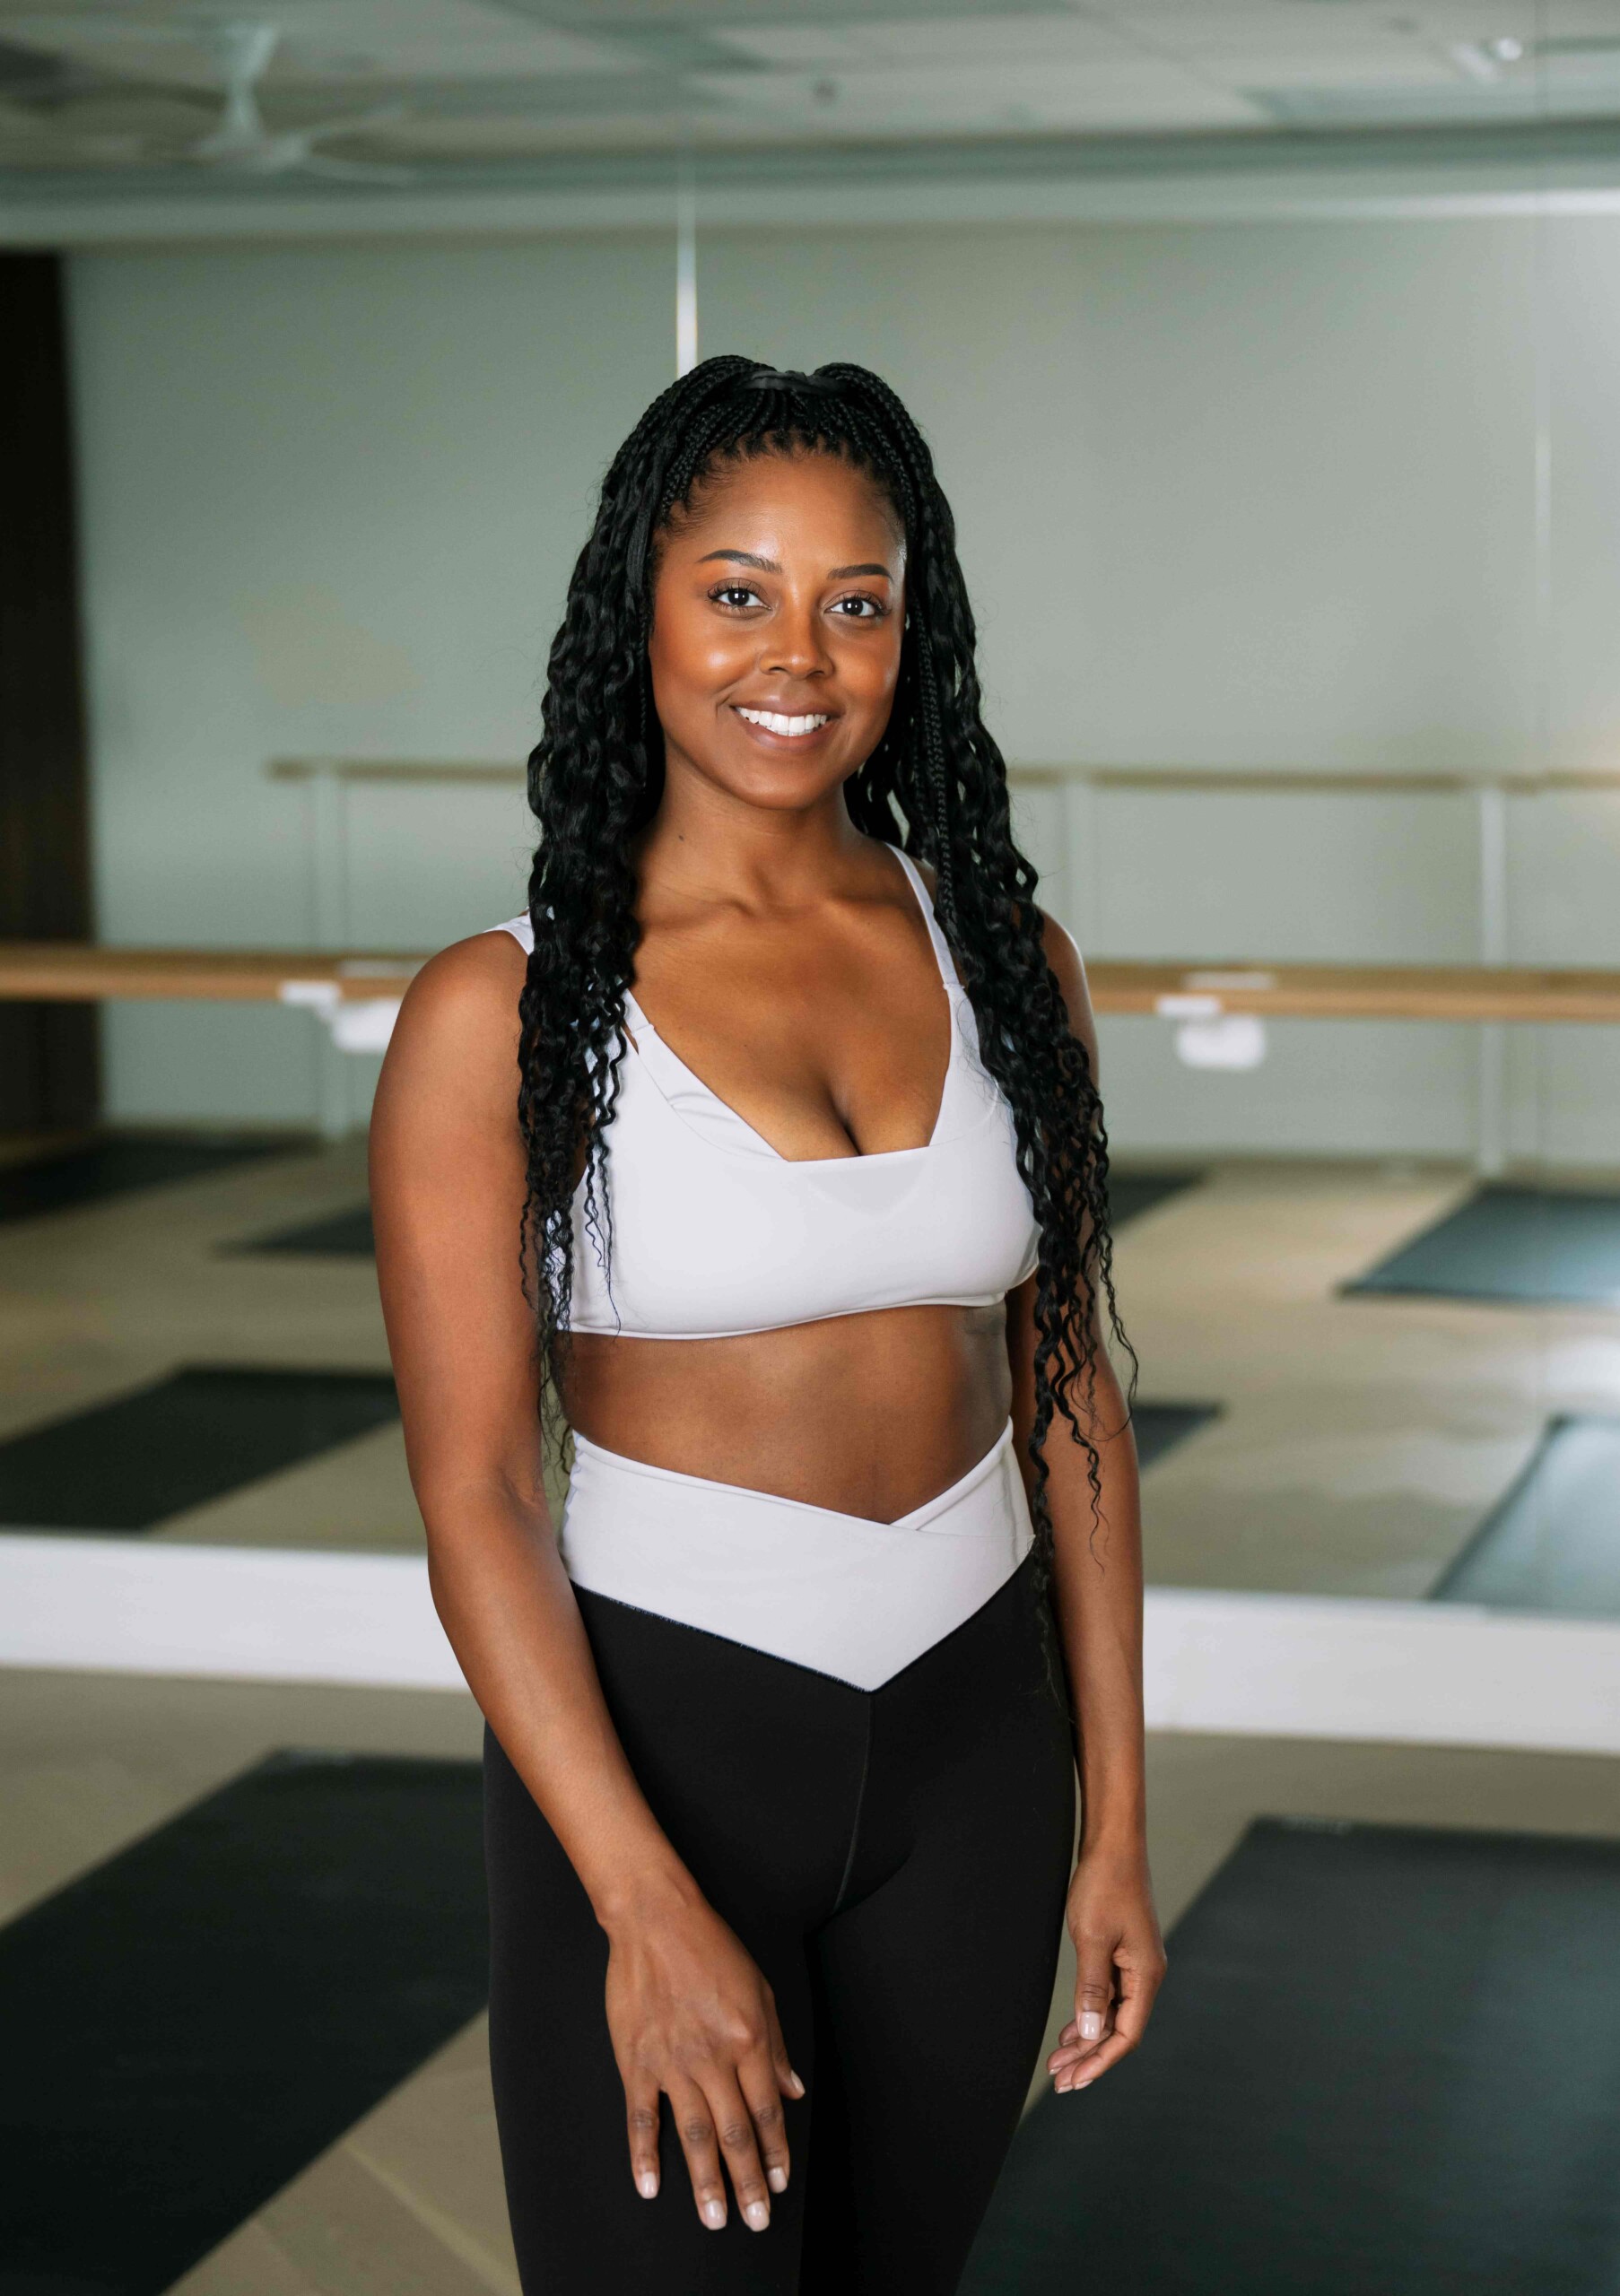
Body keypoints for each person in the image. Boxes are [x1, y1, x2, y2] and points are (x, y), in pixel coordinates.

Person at [370, 356, 1165, 2294]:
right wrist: (636, 1899)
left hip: (980, 1743)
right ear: (635, 603)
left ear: (916, 626)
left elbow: (1068, 1396)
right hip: (666, 1746)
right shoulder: (503, 1007)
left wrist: (1122, 1813)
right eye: (737, 589)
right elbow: (475, 1488)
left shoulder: (1005, 953)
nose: (795, 652)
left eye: (856, 598)